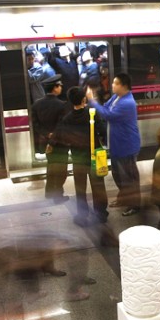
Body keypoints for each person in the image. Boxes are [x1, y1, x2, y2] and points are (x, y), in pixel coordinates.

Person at [51, 86, 110, 230]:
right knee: (98, 186)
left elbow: (62, 136)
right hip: (94, 157)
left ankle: (82, 216)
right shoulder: (92, 113)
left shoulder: (67, 118)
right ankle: (101, 214)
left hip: (78, 159)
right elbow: (103, 130)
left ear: (71, 101)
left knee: (80, 188)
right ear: (84, 99)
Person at [88, 72, 141, 216]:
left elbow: (107, 114)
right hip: (117, 145)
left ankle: (135, 205)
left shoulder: (127, 103)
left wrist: (92, 101)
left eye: (116, 83)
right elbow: (105, 107)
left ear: (124, 86)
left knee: (129, 178)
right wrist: (96, 102)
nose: (112, 85)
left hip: (127, 146)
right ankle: (124, 199)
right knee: (118, 174)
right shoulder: (117, 97)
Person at [31, 76, 69, 199]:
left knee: (51, 166)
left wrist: (47, 135)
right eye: (59, 85)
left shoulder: (37, 104)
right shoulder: (62, 105)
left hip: (45, 141)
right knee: (61, 169)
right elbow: (61, 126)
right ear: (55, 88)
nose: (61, 87)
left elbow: (35, 125)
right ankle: (57, 195)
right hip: (59, 143)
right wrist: (52, 140)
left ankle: (49, 192)